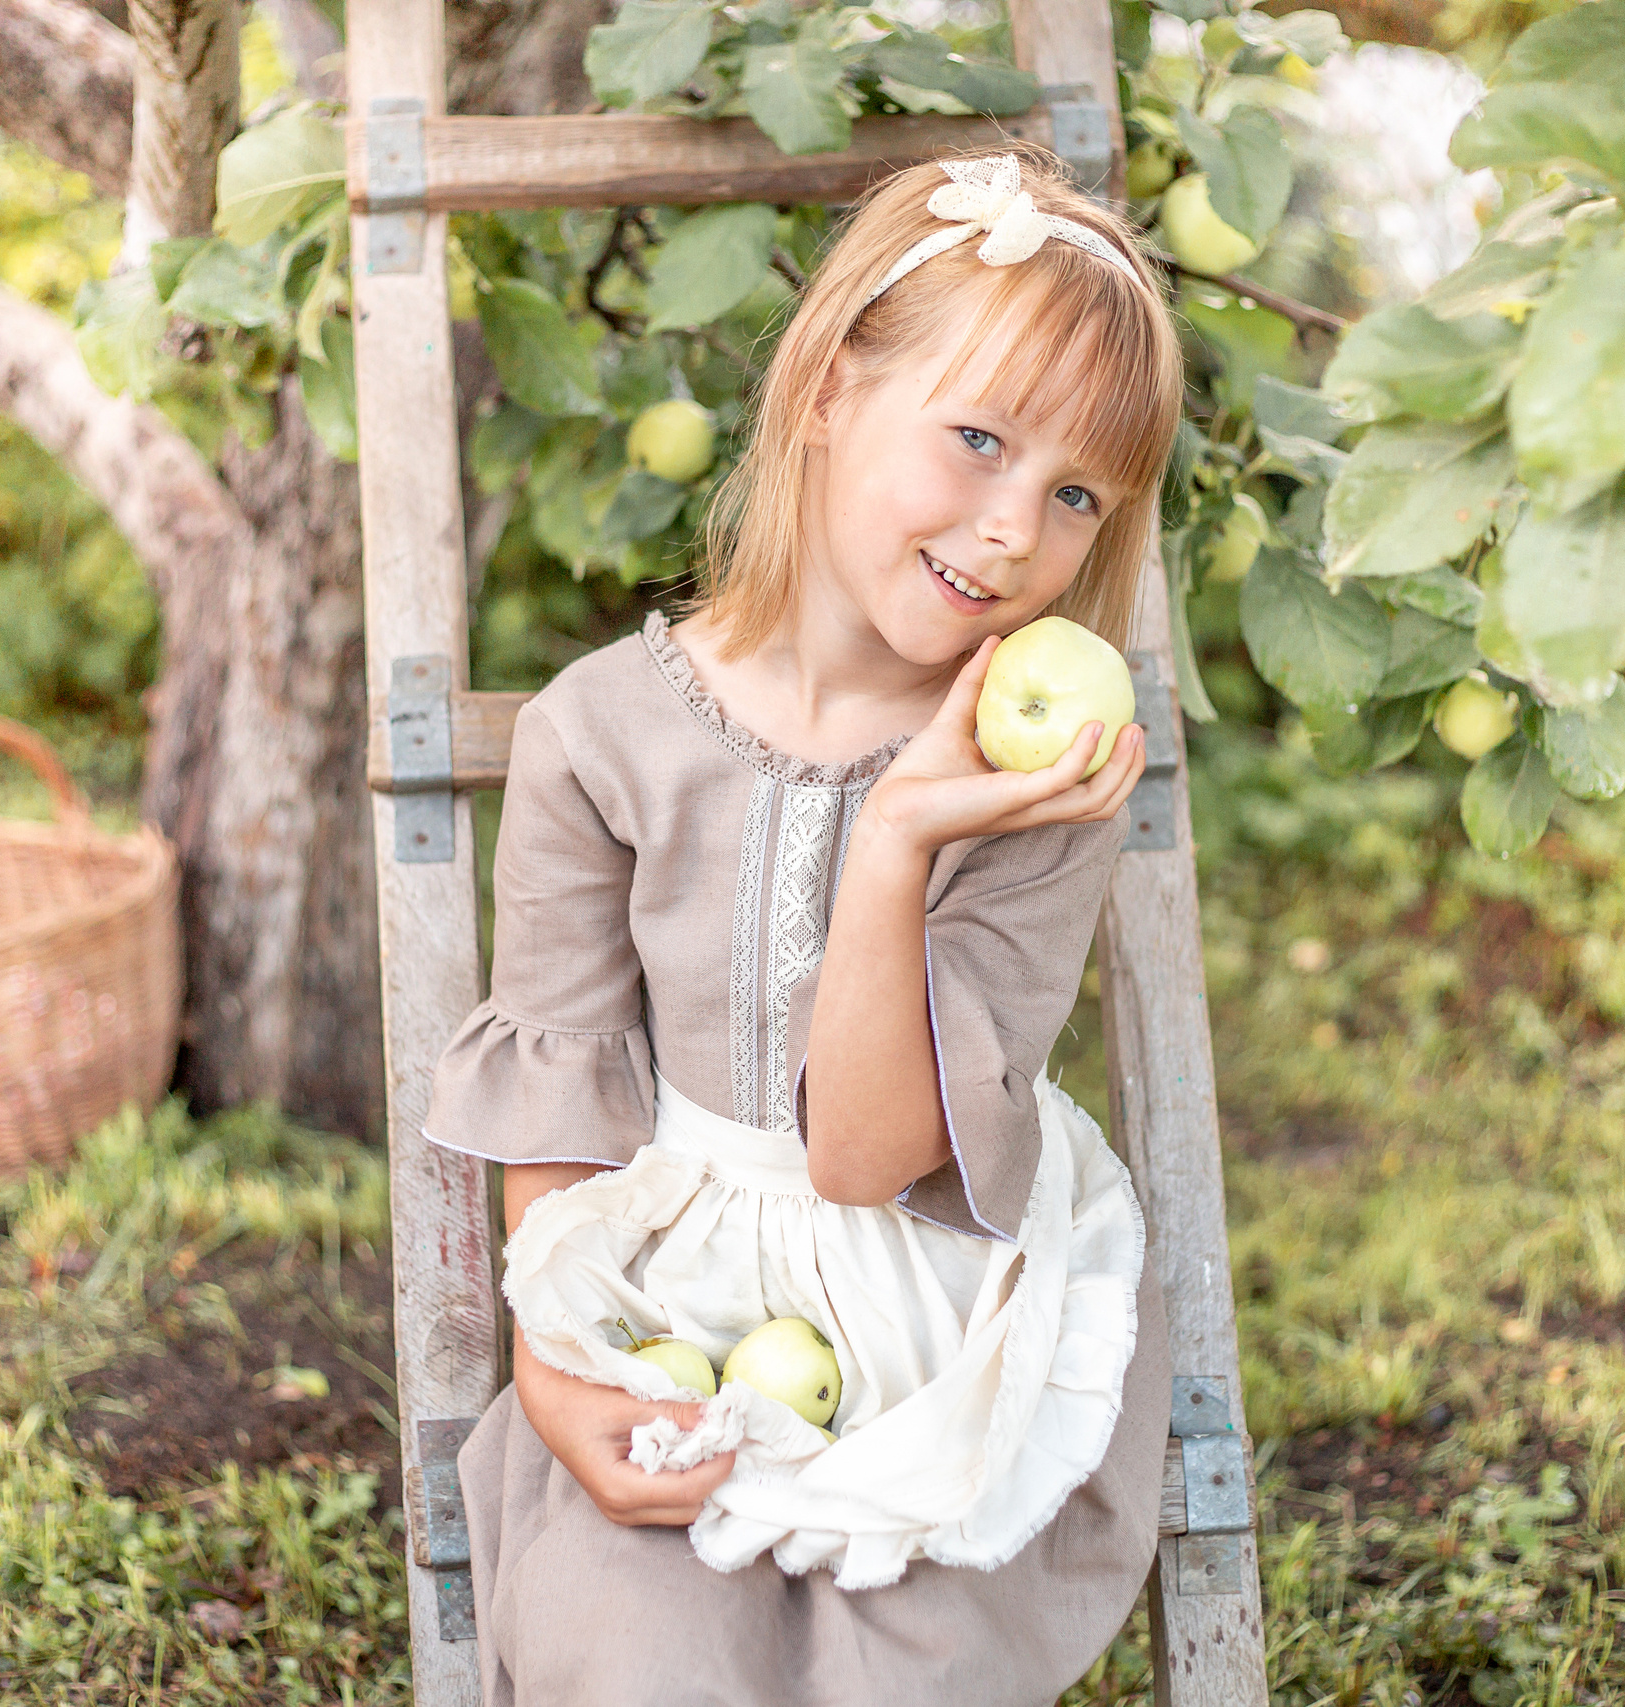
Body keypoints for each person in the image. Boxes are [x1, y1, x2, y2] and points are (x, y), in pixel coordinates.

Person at [424, 148, 1188, 1705]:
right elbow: (563, 1119)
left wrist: (898, 839)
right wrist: (562, 1387)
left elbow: (864, 1159)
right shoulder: (597, 736)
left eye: (1074, 495)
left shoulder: (1042, 779)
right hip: (667, 1310)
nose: (1012, 529)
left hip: (933, 1331)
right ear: (833, 388)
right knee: (633, 1658)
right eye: (978, 440)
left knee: (899, 1667)